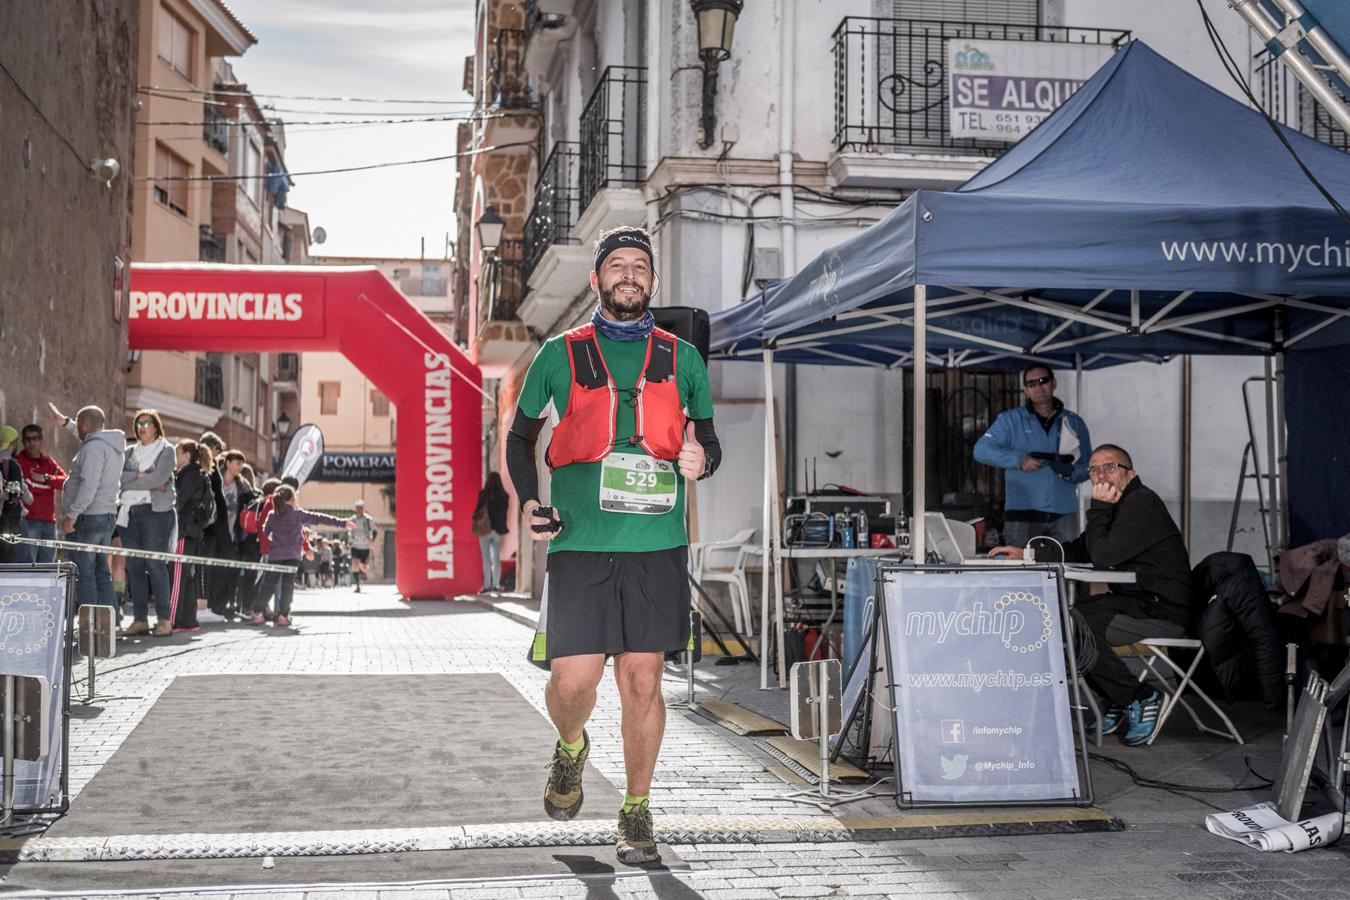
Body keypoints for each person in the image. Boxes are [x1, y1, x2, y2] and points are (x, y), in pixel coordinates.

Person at [505, 225, 722, 865]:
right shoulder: (559, 354)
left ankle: (636, 810)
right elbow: (521, 439)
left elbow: (710, 444)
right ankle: (571, 747)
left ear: (652, 280)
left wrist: (698, 459)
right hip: (579, 543)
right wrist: (529, 502)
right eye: (617, 265)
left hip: (656, 543)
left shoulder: (683, 358)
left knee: (642, 677)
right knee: (574, 682)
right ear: (597, 278)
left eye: (640, 266)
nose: (629, 274)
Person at [988, 444, 1194, 747]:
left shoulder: (1140, 503)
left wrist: (1098, 508)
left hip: (1163, 611)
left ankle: (1140, 696)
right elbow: (1082, 548)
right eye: (1094, 470)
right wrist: (1026, 552)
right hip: (1137, 603)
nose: (1101, 476)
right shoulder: (1117, 506)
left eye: (1110, 467)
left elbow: (1102, 556)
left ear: (1131, 473)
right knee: (1060, 619)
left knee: (1075, 625)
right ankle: (1116, 695)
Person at [974, 365, 1091, 547]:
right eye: (1032, 383)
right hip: (1021, 512)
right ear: (1026, 390)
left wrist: (1072, 472)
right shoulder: (1010, 420)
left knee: (1066, 568)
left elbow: (1089, 465)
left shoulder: (1074, 422)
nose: (1039, 387)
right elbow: (981, 450)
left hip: (1064, 511)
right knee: (1021, 569)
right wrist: (1019, 461)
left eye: (1043, 381)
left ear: (1054, 383)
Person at [50, 402, 125, 608]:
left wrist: (72, 515)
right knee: (102, 573)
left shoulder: (93, 448)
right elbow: (87, 434)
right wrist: (66, 423)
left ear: (84, 423)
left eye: (78, 422)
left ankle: (89, 627)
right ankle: (107, 626)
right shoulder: (110, 444)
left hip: (88, 518)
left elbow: (89, 484)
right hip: (106, 516)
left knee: (85, 574)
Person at [252, 486, 351, 627]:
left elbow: (265, 531)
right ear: (292, 500)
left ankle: (258, 613)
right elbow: (319, 518)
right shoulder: (297, 514)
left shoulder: (272, 515)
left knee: (269, 584)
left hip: (275, 555)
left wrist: (276, 539)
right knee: (287, 586)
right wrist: (342, 523)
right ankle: (283, 616)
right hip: (293, 556)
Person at [118, 409, 177, 637]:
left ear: (156, 427)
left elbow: (159, 478)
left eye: (147, 423)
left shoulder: (166, 450)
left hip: (156, 512)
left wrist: (136, 478)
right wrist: (143, 478)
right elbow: (118, 479)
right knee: (134, 567)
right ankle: (140, 620)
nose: (142, 427)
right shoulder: (129, 452)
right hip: (129, 512)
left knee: (155, 565)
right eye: (139, 423)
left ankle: (164, 620)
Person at [170, 439, 214, 632]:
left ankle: (174, 620)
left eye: (177, 453)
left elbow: (178, 501)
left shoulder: (188, 476)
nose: (175, 457)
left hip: (184, 530)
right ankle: (189, 620)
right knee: (187, 576)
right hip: (193, 531)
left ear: (186, 455)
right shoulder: (198, 475)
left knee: (178, 575)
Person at [210, 449, 257, 617]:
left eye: (241, 464)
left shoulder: (243, 485)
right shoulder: (215, 480)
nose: (239, 467)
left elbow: (251, 503)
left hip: (234, 535)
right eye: (237, 463)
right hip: (214, 532)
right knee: (215, 570)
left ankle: (228, 603)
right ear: (228, 462)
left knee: (232, 571)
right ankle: (214, 605)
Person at [10, 424, 64, 564]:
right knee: (28, 567)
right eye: (27, 439)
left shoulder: (49, 463)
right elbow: (26, 488)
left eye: (35, 439)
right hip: (28, 522)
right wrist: (48, 485)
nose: (31, 443)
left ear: (42, 440)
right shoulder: (17, 462)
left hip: (49, 524)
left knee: (47, 568)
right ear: (23, 442)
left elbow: (66, 483)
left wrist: (47, 478)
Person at [0, 427, 33, 563]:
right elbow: (19, 496)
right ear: (12, 443)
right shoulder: (12, 466)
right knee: (18, 562)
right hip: (11, 521)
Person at [474, 472, 510, 592]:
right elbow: (504, 513)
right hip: (498, 531)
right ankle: (496, 585)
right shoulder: (504, 496)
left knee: (486, 559)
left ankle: (486, 586)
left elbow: (477, 512)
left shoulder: (483, 495)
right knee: (496, 558)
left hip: (485, 530)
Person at [347, 499, 377, 592]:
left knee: (363, 566)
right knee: (355, 564)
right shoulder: (352, 519)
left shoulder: (368, 519)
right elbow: (348, 531)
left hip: (365, 546)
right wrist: (349, 541)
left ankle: (362, 573)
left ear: (363, 509)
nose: (359, 509)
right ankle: (357, 585)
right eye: (358, 508)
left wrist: (372, 540)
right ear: (355, 509)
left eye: (361, 508)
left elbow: (375, 531)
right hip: (355, 545)